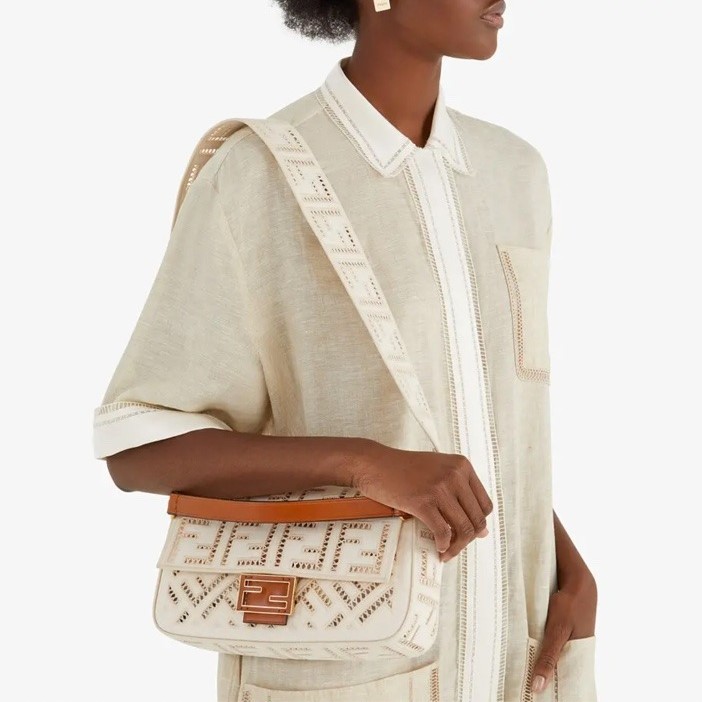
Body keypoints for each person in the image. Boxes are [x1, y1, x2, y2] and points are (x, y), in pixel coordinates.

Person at [92, 1, 598, 700]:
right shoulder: (259, 175)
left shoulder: (514, 172)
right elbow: (138, 445)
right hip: (345, 662)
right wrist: (364, 463)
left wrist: (567, 564)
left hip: (521, 652)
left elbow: (485, 420)